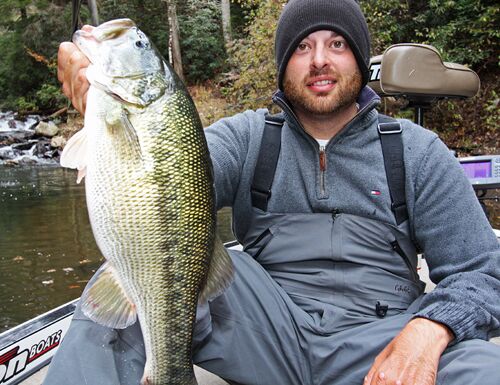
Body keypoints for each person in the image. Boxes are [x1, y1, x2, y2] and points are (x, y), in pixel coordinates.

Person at [46, 0, 500, 384]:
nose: (319, 60)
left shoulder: (416, 151)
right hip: (262, 333)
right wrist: (105, 112)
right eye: (302, 47)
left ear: (360, 62)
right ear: (284, 65)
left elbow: (482, 272)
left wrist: (430, 328)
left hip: (382, 337)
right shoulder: (246, 138)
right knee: (130, 289)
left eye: (336, 45)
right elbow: (167, 175)